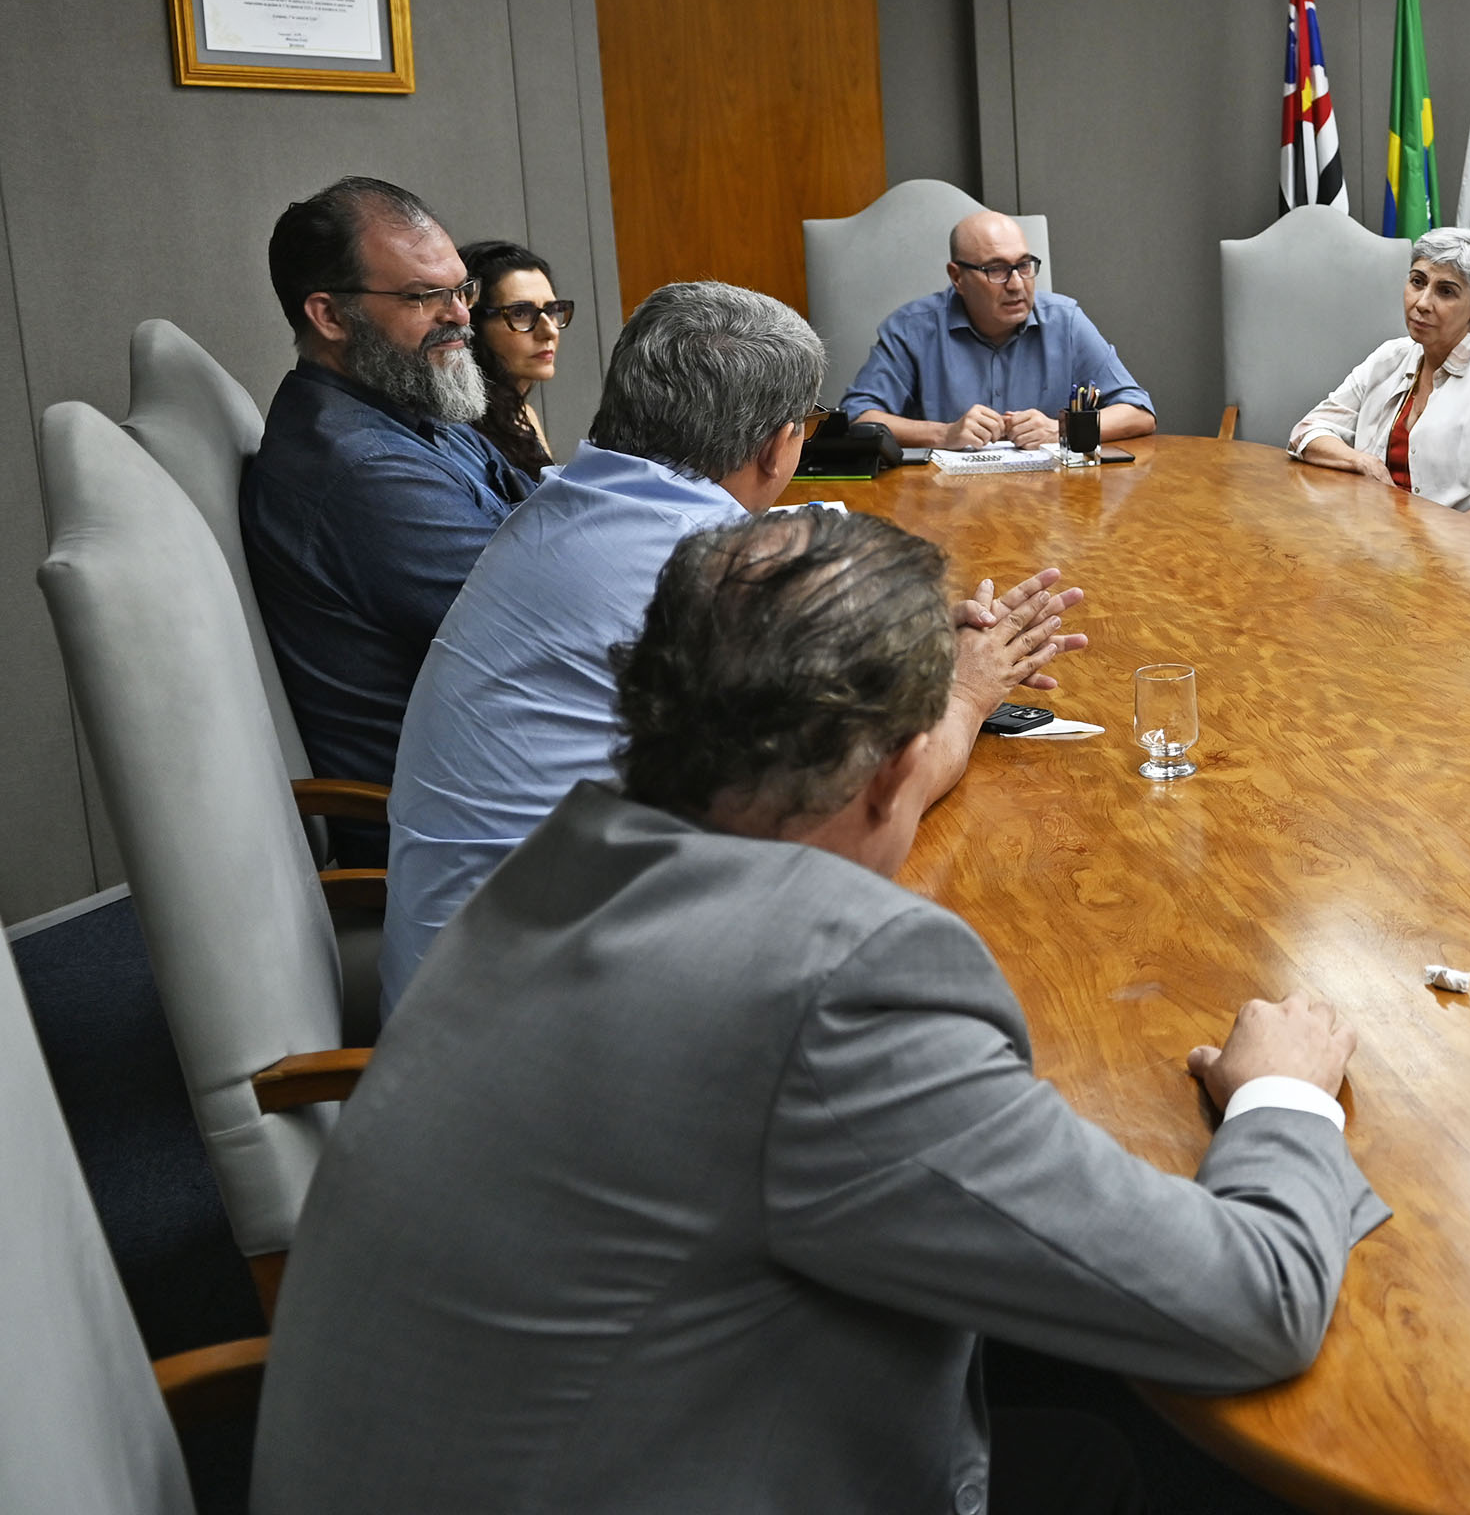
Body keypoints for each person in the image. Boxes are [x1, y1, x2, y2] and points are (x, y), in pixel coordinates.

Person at [253, 507, 1384, 1514]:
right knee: (1108, 1456)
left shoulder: (564, 859)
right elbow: (1255, 1302)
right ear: (892, 771)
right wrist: (1284, 1096)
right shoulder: (839, 989)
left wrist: (958, 701)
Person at [380, 280, 1087, 1012]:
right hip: (570, 1020)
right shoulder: (712, 579)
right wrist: (969, 691)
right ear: (778, 446)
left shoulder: (560, 505)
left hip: (459, 994)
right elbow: (866, 802)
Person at [241, 178, 530, 839]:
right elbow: (546, 627)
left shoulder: (408, 403)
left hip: (503, 771)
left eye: (462, 289)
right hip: (473, 828)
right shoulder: (361, 470)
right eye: (423, 296)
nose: (460, 316)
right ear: (330, 316)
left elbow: (541, 514)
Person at [1290, 225, 1470, 527]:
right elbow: (1307, 432)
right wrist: (1363, 462)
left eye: (1446, 291)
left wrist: (1422, 545)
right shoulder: (1391, 357)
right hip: (1386, 535)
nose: (1422, 303)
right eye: (1417, 282)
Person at [841, 210, 1157, 451]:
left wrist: (1062, 429)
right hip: (944, 502)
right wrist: (944, 434)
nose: (1017, 284)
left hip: (1051, 504)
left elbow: (1139, 412)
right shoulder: (912, 329)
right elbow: (858, 418)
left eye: (1023, 266)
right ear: (957, 277)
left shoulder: (1066, 322)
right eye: (996, 270)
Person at [458, 238, 569, 482]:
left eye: (551, 310)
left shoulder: (523, 415)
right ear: (472, 325)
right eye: (520, 313)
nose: (549, 331)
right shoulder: (459, 432)